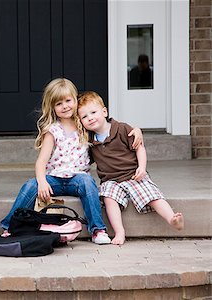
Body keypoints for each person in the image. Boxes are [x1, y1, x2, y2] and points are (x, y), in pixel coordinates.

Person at [0, 78, 142, 244]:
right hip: (54, 179)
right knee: (30, 185)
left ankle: (98, 230)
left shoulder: (85, 124)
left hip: (77, 179)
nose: (65, 106)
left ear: (76, 100)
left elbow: (109, 126)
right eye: (59, 103)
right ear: (52, 107)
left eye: (68, 101)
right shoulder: (52, 130)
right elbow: (41, 162)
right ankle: (10, 226)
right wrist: (42, 182)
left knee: (88, 183)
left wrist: (136, 130)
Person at [77, 91, 184, 245]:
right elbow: (85, 160)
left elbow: (139, 147)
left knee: (151, 195)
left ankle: (172, 218)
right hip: (111, 180)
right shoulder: (89, 140)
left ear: (104, 111)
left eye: (93, 112)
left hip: (133, 175)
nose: (90, 118)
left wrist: (142, 167)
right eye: (85, 117)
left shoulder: (122, 129)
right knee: (108, 198)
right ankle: (120, 231)